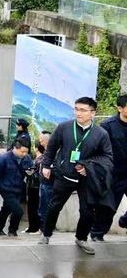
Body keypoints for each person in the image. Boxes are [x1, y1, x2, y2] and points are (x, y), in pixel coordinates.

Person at [39, 96, 114, 255]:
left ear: (92, 113)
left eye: (83, 110)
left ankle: (81, 238)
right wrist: (46, 165)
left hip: (86, 179)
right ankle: (46, 234)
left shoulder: (101, 134)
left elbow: (107, 157)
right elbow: (52, 147)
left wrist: (89, 167)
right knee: (54, 206)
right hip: (64, 174)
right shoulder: (64, 127)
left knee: (88, 211)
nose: (78, 113)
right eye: (76, 109)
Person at [90, 94, 127, 241]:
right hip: (113, 174)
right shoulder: (107, 126)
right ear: (120, 108)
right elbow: (98, 150)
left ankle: (125, 221)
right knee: (108, 207)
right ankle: (97, 233)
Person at [0, 137, 33, 236]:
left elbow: (31, 169)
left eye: (26, 152)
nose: (24, 154)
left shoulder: (27, 158)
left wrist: (30, 172)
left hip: (18, 187)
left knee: (7, 208)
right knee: (18, 211)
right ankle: (12, 231)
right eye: (22, 151)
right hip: (5, 188)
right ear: (15, 148)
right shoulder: (3, 158)